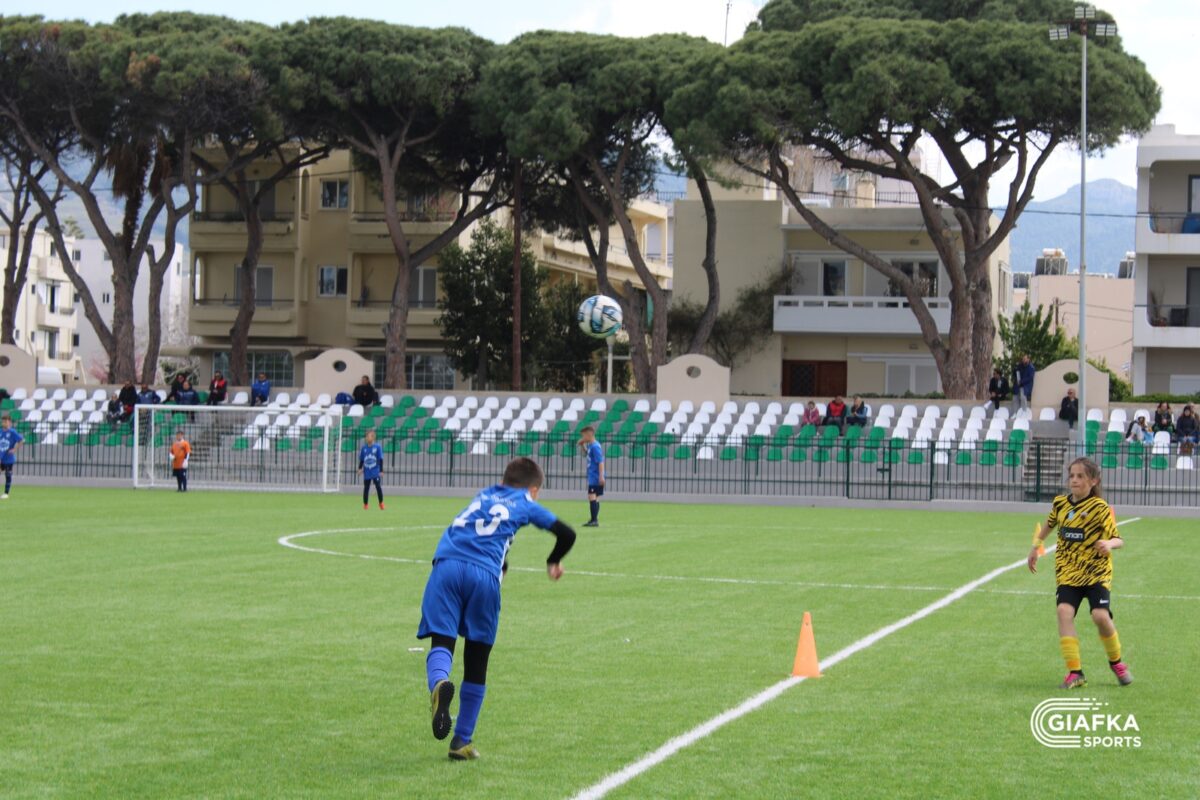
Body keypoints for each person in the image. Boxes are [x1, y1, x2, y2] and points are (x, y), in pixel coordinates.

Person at [417, 457, 576, 761]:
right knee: (477, 658)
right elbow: (567, 534)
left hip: (446, 565)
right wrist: (553, 561)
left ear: (503, 481)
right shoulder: (525, 503)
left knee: (442, 640)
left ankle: (439, 683)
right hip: (484, 575)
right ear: (533, 490)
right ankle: (461, 741)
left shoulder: (485, 494)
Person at [1028, 457, 1132, 689]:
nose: (1074, 480)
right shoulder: (1060, 504)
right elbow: (1049, 524)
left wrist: (1109, 544)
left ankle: (1116, 662)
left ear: (1093, 481)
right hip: (1068, 572)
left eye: (1080, 476)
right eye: (1072, 475)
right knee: (1063, 611)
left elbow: (1118, 539)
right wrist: (1035, 546)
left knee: (1100, 617)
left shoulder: (1100, 508)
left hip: (1096, 572)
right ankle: (1075, 672)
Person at [579, 425, 605, 527]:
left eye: (584, 436)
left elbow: (600, 462)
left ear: (589, 434)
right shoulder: (591, 446)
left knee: (592, 496)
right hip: (593, 475)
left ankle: (594, 520)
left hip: (595, 476)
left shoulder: (595, 447)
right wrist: (582, 445)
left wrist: (601, 476)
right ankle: (594, 519)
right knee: (595, 497)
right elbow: (587, 455)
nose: (583, 438)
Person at [358, 429, 385, 511]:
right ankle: (365, 505)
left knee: (378, 486)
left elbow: (380, 459)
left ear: (373, 437)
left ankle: (381, 503)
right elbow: (362, 460)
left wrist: (381, 470)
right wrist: (360, 468)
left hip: (375, 471)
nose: (366, 438)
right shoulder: (364, 448)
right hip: (367, 471)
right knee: (366, 488)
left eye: (368, 436)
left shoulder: (377, 447)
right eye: (366, 436)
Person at [0, 414, 25, 499]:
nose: (4, 423)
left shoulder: (12, 432)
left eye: (6, 421)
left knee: (8, 475)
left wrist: (14, 449)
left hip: (8, 458)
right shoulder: (0, 431)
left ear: (9, 422)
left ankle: (6, 493)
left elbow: (22, 440)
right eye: (3, 421)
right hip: (1, 457)